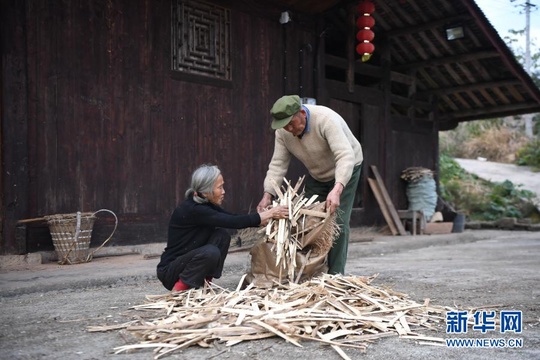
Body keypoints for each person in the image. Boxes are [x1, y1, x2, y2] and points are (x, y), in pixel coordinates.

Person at [256, 95, 363, 275]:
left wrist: (337, 189)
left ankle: (336, 275)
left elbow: (345, 156)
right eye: (284, 125)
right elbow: (278, 165)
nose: (289, 129)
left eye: (291, 123)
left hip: (347, 169)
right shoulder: (283, 132)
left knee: (337, 222)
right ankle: (308, 271)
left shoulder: (326, 120)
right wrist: (267, 195)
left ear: (302, 113)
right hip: (318, 174)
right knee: (304, 218)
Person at [157, 164, 289, 292]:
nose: (223, 191)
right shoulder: (194, 209)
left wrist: (265, 218)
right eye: (220, 188)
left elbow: (232, 217)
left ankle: (204, 285)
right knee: (210, 252)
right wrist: (269, 214)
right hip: (170, 271)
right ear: (207, 191)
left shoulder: (205, 203)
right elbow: (232, 221)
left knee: (221, 236)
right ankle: (178, 290)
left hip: (186, 263)